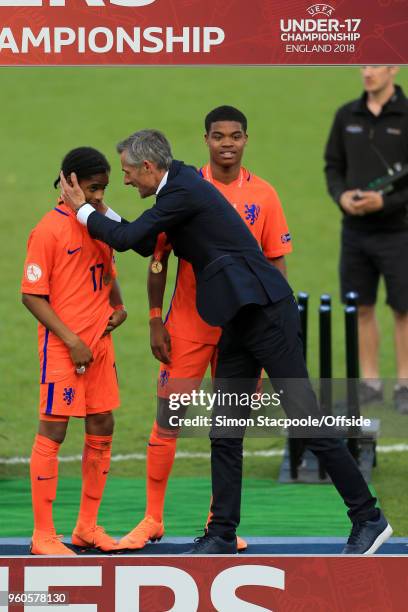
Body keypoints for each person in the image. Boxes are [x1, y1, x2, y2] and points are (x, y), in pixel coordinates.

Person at [60, 130, 392, 555]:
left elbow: (126, 240)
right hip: (238, 319)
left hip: (268, 315)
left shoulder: (182, 191)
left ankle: (368, 517)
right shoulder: (176, 189)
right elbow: (143, 242)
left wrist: (84, 210)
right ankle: (220, 533)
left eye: (126, 173)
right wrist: (99, 211)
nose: (125, 181)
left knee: (306, 419)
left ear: (148, 167)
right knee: (226, 430)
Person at [116, 106, 292, 552]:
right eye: (218, 136)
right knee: (168, 419)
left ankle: (221, 528)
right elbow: (158, 259)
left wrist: (276, 334)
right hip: (189, 325)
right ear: (206, 140)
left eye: (235, 136)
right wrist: (155, 318)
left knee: (229, 428)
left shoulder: (265, 196)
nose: (227, 144)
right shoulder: (182, 188)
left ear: (246, 140)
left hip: (245, 330)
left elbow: (276, 265)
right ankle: (152, 519)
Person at [21, 147, 127, 555]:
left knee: (102, 425)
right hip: (64, 348)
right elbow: (32, 295)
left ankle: (86, 527)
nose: (99, 196)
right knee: (55, 429)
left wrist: (117, 306)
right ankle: (43, 535)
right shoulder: (48, 230)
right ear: (68, 182)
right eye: (92, 187)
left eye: (103, 188)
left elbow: (108, 270)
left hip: (100, 346)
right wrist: (72, 340)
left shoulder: (98, 223)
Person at [324, 66, 408, 413]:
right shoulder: (347, 115)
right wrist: (342, 197)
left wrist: (385, 202)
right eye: (364, 65)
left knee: (403, 309)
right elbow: (333, 166)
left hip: (399, 232)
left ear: (394, 69)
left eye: (376, 66)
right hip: (355, 232)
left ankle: (405, 384)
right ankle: (370, 383)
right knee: (360, 308)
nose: (368, 73)